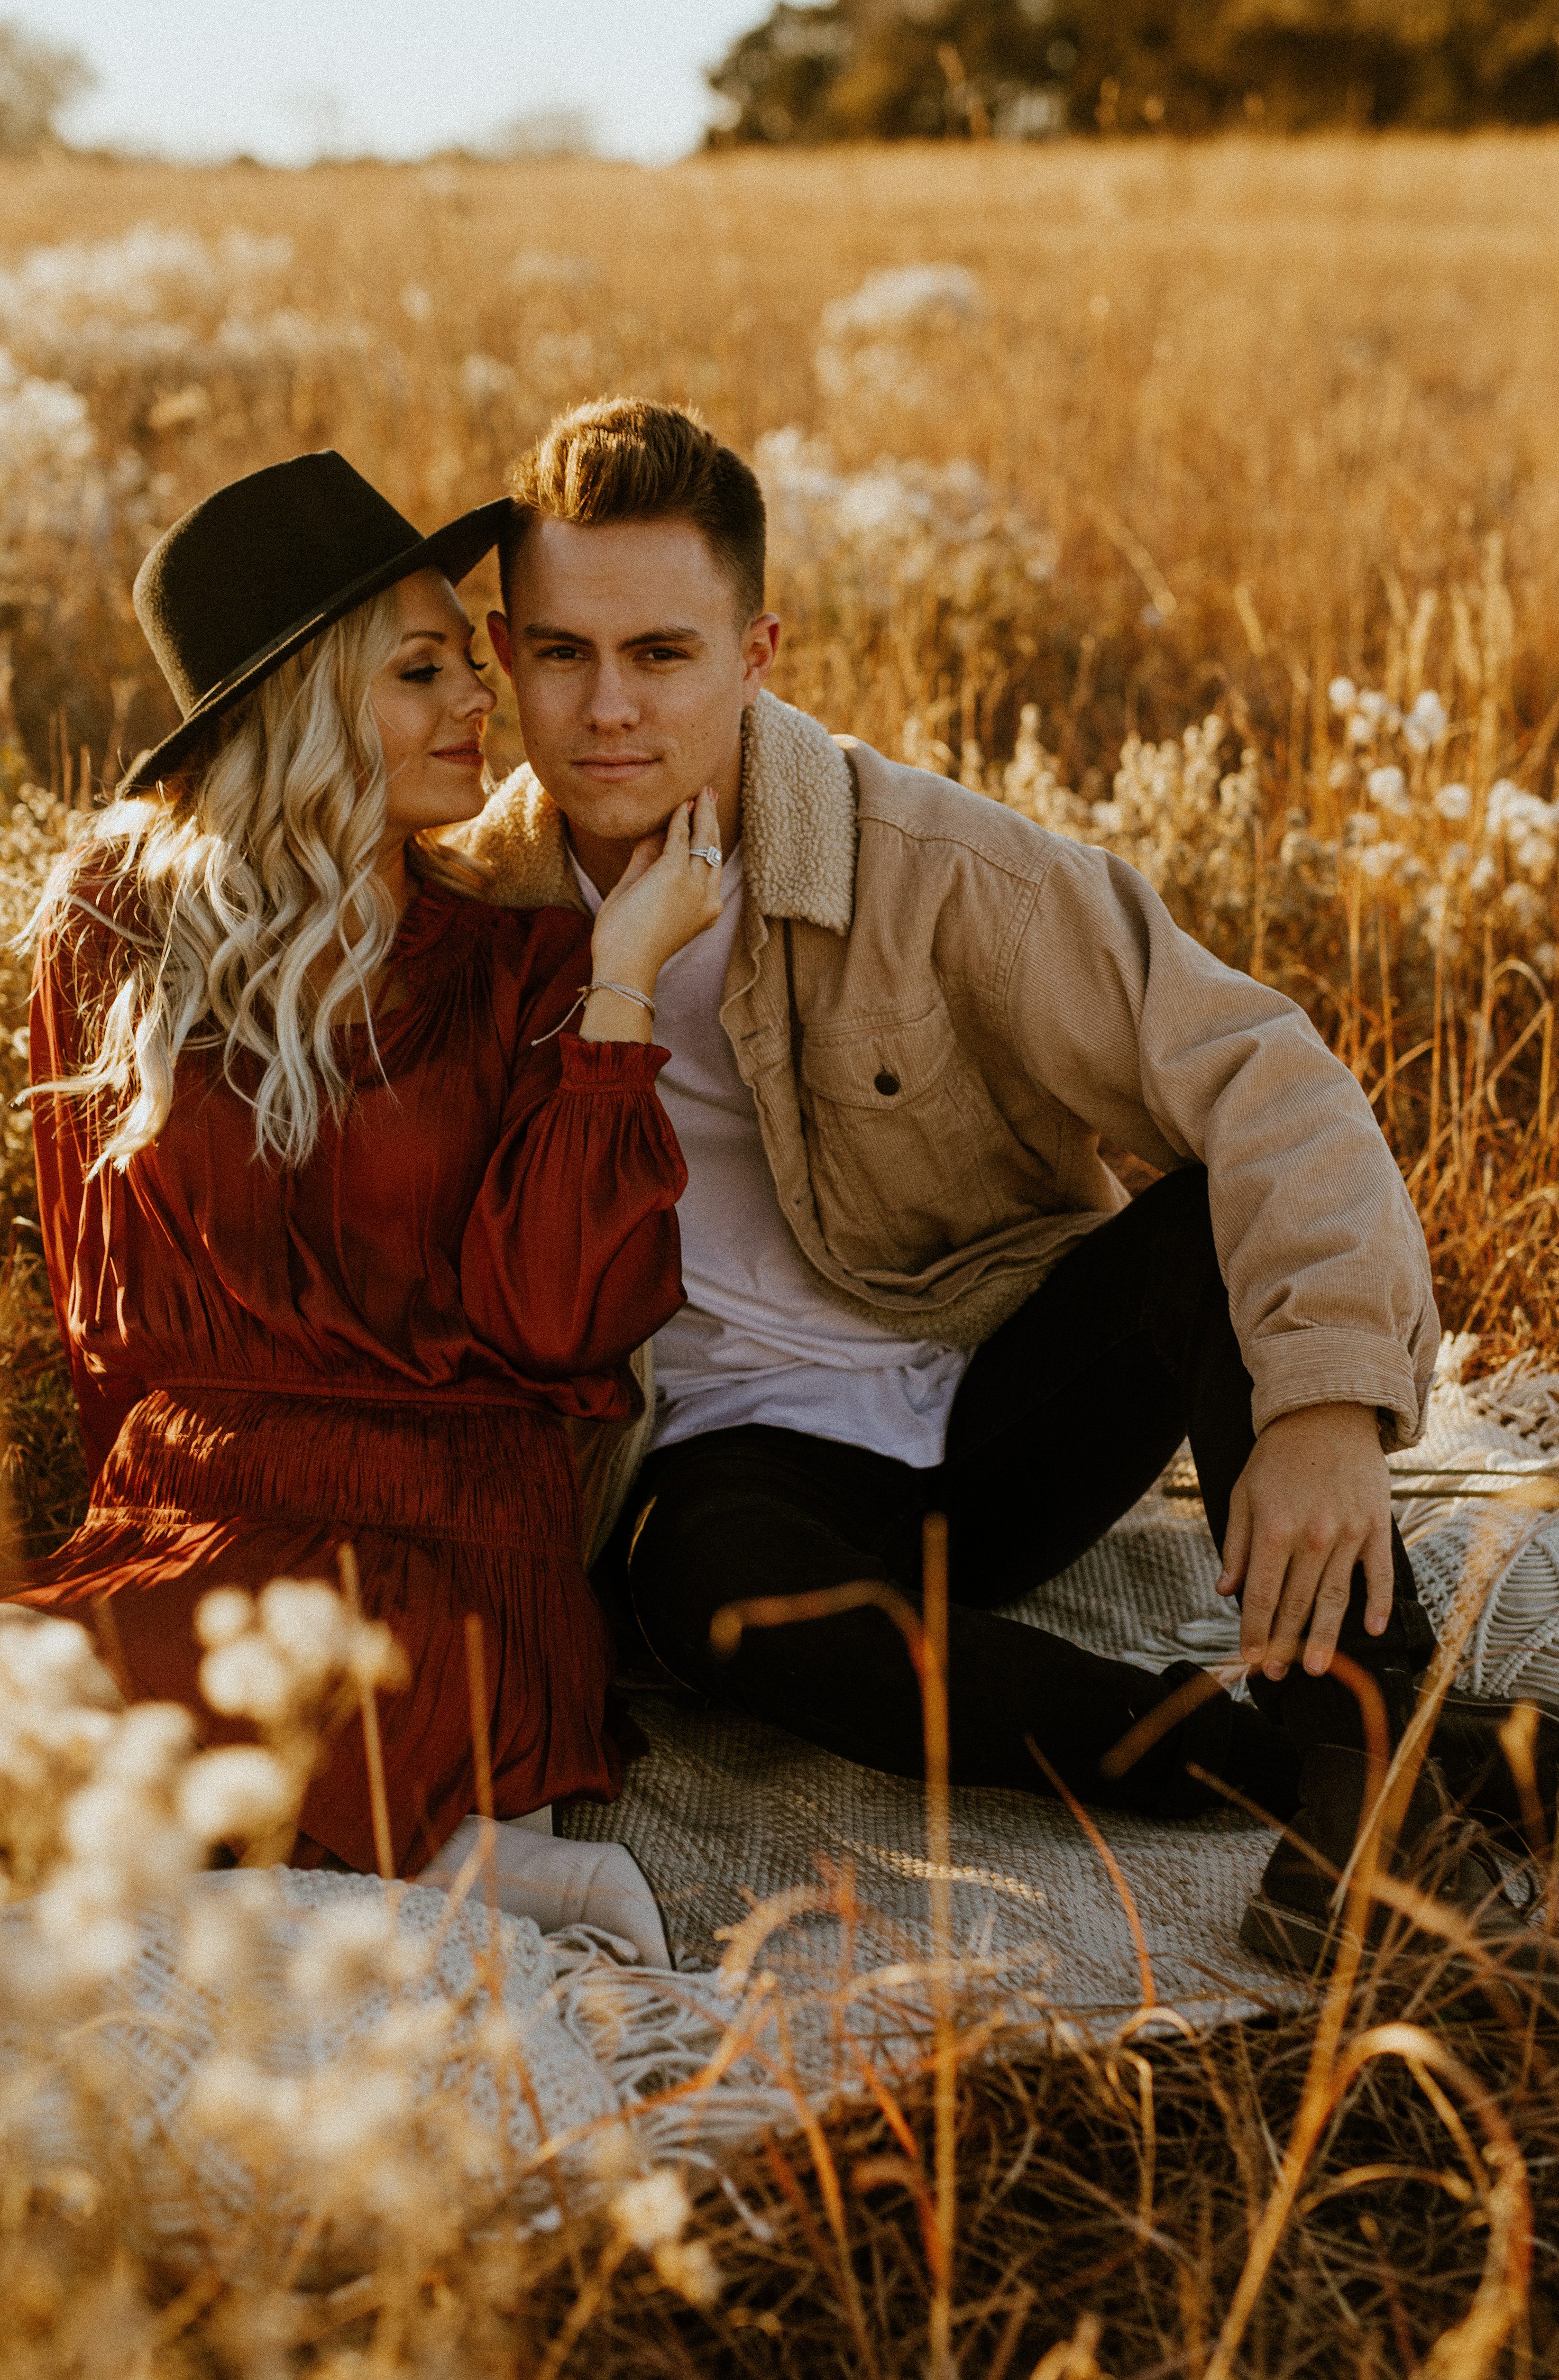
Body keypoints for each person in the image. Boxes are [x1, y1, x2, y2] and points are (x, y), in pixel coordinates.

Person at [448, 396, 1546, 1978]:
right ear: (504, 650)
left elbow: (1269, 1075)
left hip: (1000, 1403)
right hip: (744, 1478)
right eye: (562, 652)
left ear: (758, 651)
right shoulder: (474, 920)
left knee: (1209, 1228)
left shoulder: (927, 864)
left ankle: (1377, 1780)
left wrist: (1320, 1402)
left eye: (662, 654)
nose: (607, 707)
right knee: (708, 1599)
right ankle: (1307, 1764)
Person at [0, 450, 725, 1890]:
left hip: (439, 1548)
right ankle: (423, 1845)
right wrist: (125, 1549)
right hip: (186, 1516)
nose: (480, 702)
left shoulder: (523, 967)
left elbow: (561, 1324)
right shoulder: (113, 924)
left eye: (468, 661)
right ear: (306, 708)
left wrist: (624, 985)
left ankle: (449, 1833)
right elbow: (97, 1307)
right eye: (422, 670)